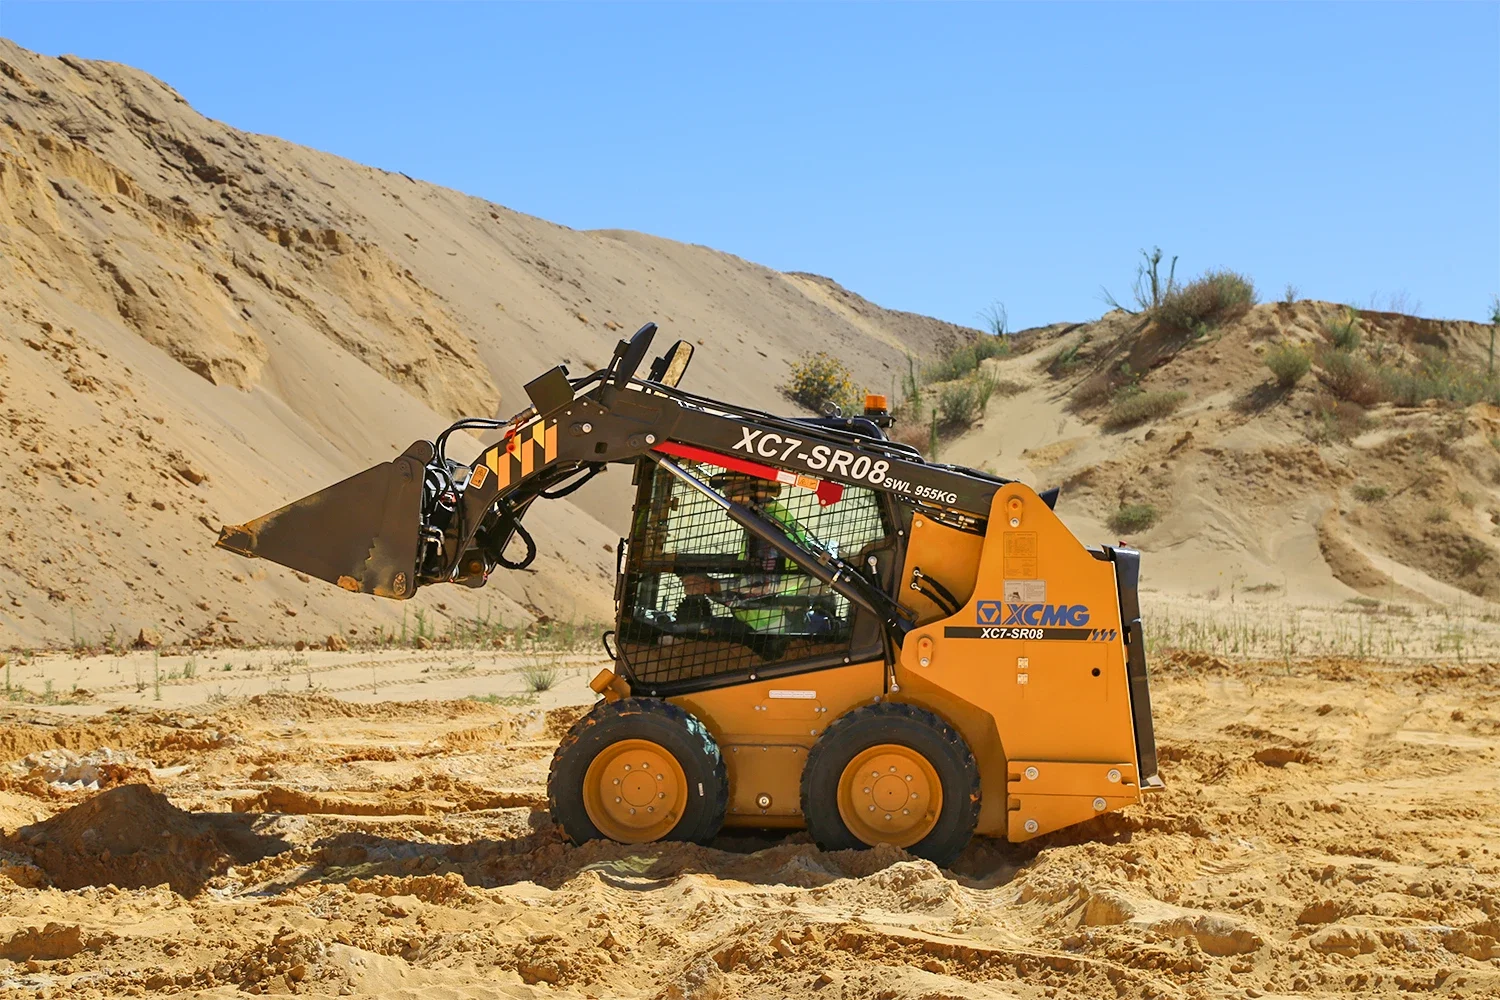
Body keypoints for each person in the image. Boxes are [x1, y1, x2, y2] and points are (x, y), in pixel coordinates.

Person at [678, 473, 829, 634]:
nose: (729, 501)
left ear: (760, 490)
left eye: (735, 493)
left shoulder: (765, 528)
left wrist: (710, 586)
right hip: (767, 618)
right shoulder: (767, 517)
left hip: (770, 627)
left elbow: (763, 584)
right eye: (726, 494)